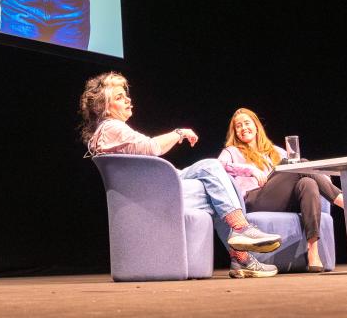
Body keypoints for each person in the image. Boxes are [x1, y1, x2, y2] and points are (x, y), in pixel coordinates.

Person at [80, 73, 282, 278]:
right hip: (152, 195)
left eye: (126, 95)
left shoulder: (107, 130)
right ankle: (242, 245)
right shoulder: (112, 127)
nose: (128, 100)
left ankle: (242, 248)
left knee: (214, 175)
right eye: (119, 97)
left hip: (151, 188)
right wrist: (179, 133)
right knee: (214, 181)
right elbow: (152, 147)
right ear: (104, 107)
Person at [219, 108, 347, 273]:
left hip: (281, 199)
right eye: (238, 126)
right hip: (254, 199)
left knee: (308, 183)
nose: (243, 128)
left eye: (247, 123)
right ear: (235, 131)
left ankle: (313, 251)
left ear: (256, 126)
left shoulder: (275, 151)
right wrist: (249, 170)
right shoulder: (232, 151)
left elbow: (301, 170)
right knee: (301, 164)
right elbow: (218, 166)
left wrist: (322, 179)